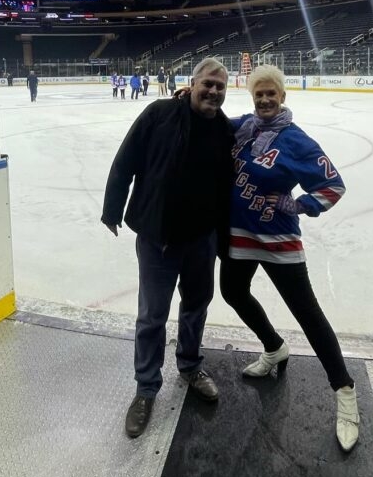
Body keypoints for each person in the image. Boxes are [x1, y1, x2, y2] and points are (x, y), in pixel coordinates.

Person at [218, 66, 359, 452]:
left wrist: (299, 204)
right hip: (239, 237)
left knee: (308, 315)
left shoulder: (296, 140)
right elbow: (208, 122)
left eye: (272, 94)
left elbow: (334, 185)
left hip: (278, 239)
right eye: (259, 94)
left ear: (282, 97)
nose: (265, 100)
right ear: (252, 96)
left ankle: (345, 392)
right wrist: (185, 98)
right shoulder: (242, 128)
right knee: (232, 292)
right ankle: (274, 346)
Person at [101, 58, 235, 439]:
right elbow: (124, 161)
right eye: (207, 84)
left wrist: (223, 243)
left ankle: (190, 365)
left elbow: (226, 192)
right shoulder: (158, 113)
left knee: (196, 307)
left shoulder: (225, 131)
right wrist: (112, 208)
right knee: (152, 316)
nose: (212, 91)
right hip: (158, 237)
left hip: (201, 240)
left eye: (220, 87)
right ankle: (146, 388)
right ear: (191, 83)